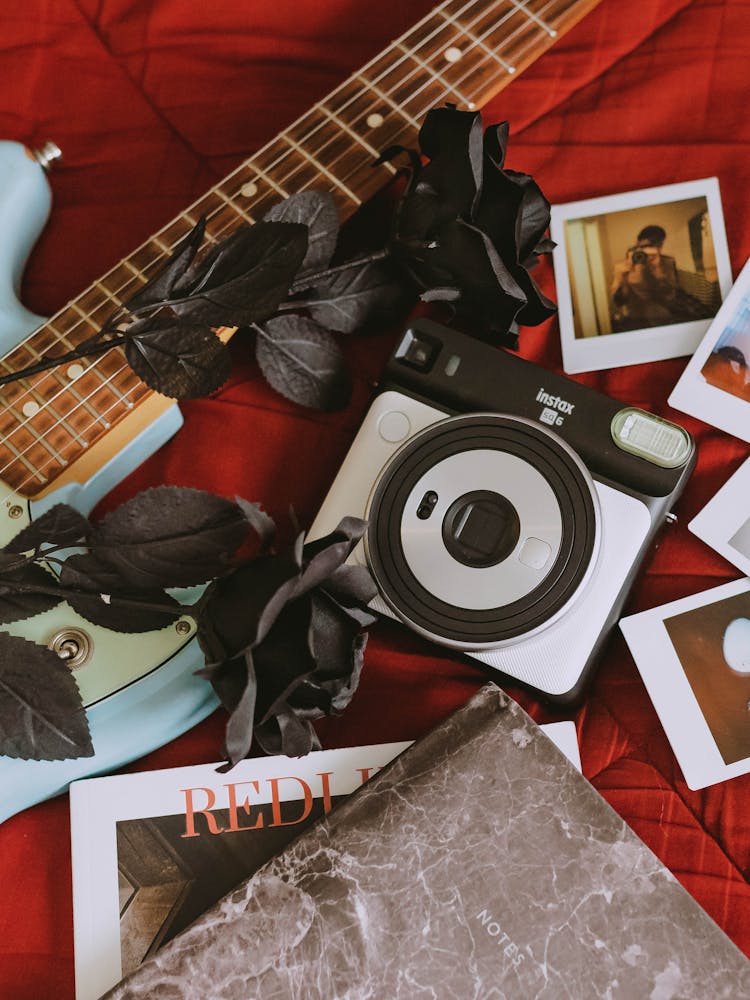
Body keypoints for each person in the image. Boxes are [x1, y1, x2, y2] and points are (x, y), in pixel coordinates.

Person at [610, 224, 711, 331]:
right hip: (639, 316)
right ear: (637, 245)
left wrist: (658, 270)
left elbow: (671, 296)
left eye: (651, 247)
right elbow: (620, 302)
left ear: (659, 247)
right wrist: (619, 280)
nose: (643, 254)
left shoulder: (666, 262)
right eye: (642, 247)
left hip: (665, 313)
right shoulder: (629, 263)